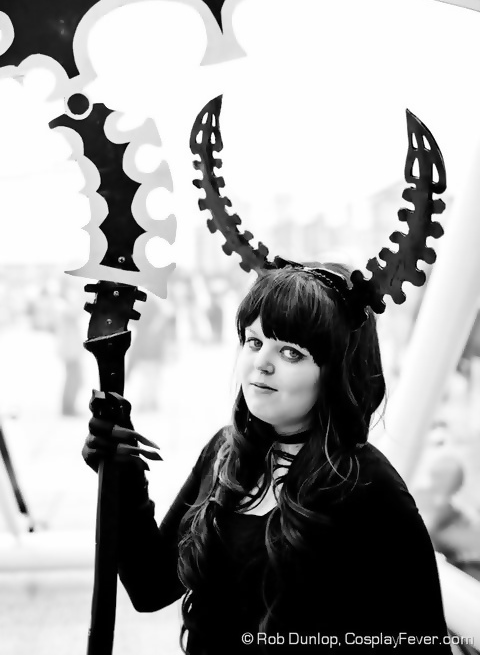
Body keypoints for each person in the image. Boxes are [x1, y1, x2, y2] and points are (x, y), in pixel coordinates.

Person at [83, 263, 452, 654]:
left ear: (336, 371)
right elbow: (151, 585)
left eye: (291, 352)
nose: (262, 363)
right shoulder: (224, 452)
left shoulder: (368, 485)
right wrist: (121, 473)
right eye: (254, 341)